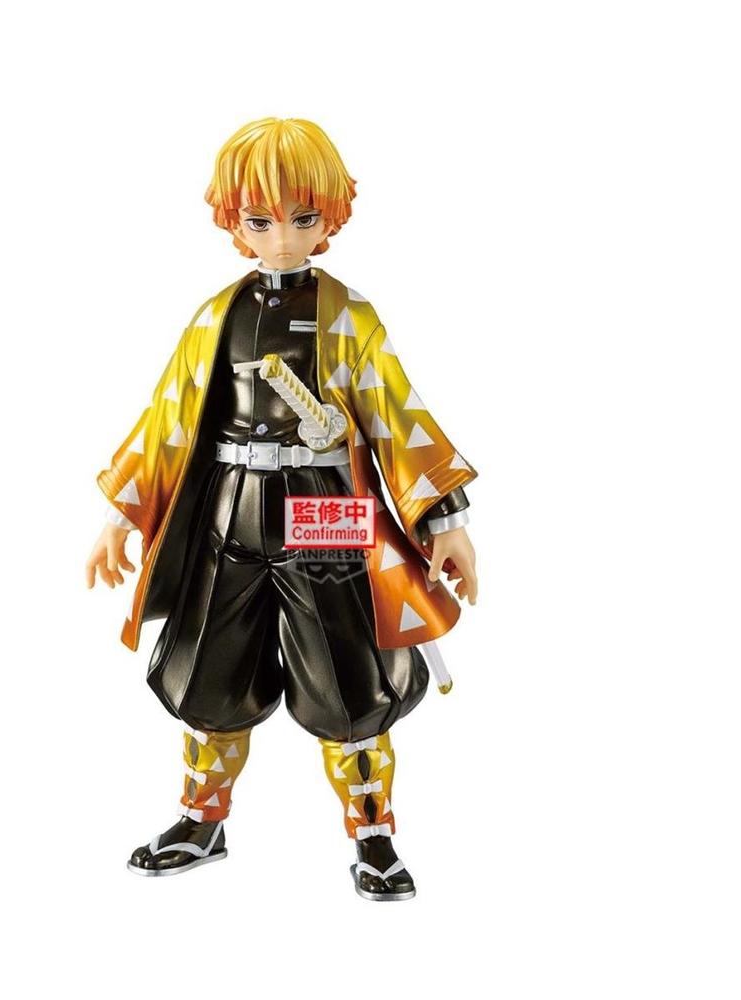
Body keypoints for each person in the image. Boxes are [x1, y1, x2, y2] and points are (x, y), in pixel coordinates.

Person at [86, 117, 479, 901]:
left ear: (328, 217)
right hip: (229, 508)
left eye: (301, 218)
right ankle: (201, 820)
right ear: (233, 222)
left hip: (323, 508)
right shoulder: (215, 317)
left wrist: (446, 517)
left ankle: (372, 835)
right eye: (260, 221)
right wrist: (123, 513)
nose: (282, 239)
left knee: (351, 681)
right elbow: (168, 417)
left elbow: (396, 412)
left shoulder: (349, 315)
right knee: (210, 672)